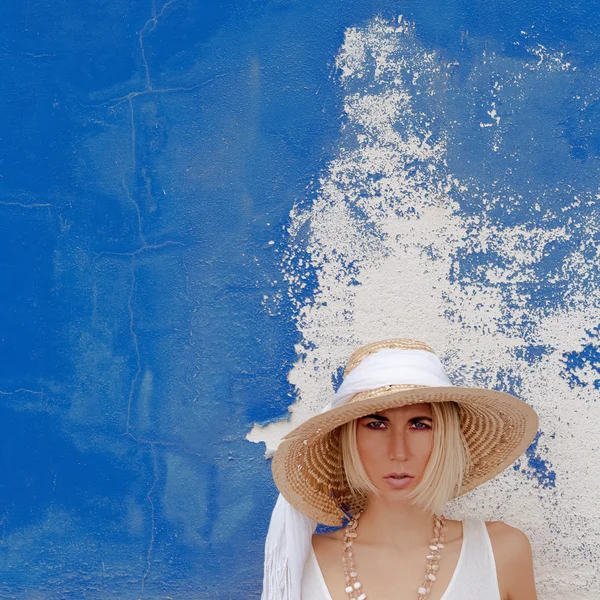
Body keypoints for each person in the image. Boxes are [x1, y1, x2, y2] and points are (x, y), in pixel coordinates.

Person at [261, 338, 539, 600]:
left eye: (420, 425)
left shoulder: (501, 551)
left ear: (444, 438)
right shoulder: (302, 562)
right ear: (349, 440)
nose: (399, 452)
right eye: (376, 424)